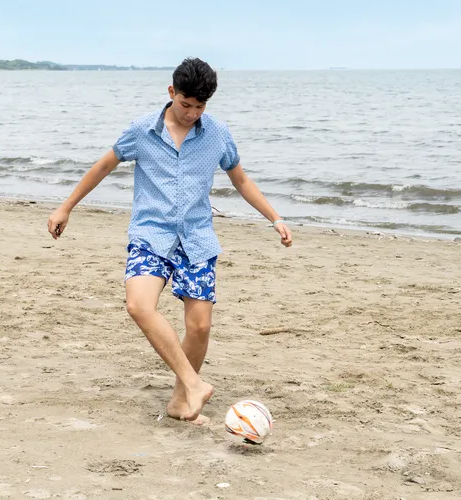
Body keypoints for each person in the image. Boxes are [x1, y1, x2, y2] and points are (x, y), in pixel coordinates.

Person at [47, 57, 292, 424]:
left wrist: (275, 218)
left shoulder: (217, 135)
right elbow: (102, 167)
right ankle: (194, 384)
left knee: (200, 327)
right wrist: (66, 207)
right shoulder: (141, 131)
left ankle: (181, 400)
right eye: (185, 104)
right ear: (171, 93)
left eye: (200, 106)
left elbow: (241, 180)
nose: (192, 113)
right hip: (151, 234)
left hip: (197, 238)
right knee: (138, 305)